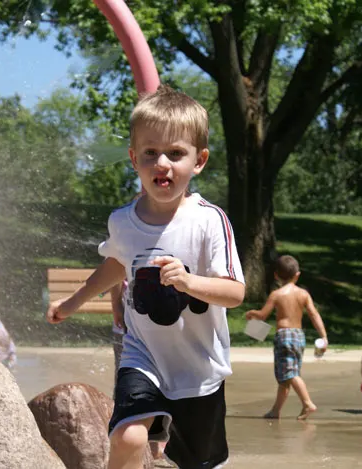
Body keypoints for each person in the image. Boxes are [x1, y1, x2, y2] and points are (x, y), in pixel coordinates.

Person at [46, 85, 245, 469]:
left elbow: (235, 293)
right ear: (134, 158)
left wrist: (189, 282)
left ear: (199, 161)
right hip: (143, 355)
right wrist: (71, 304)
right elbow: (114, 267)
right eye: (150, 153)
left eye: (176, 153)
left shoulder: (209, 222)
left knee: (198, 463)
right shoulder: (124, 222)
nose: (162, 163)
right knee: (129, 434)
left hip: (199, 367)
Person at [245, 255, 328, 420]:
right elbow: (314, 314)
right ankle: (276, 410)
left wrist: (251, 313)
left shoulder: (276, 295)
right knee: (286, 375)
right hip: (299, 336)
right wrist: (323, 336)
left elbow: (263, 315)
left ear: (276, 275)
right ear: (297, 275)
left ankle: (307, 403)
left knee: (289, 373)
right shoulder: (303, 294)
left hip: (284, 336)